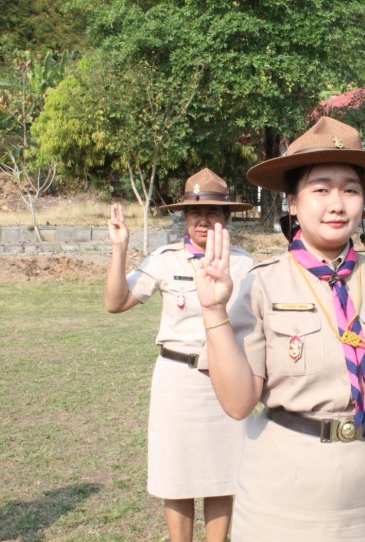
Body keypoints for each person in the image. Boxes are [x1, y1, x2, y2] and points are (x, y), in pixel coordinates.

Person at [192, 117, 365, 541]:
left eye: (350, 190)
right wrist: (213, 310)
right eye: (320, 189)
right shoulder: (262, 283)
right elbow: (239, 402)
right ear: (293, 202)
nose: (337, 204)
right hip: (282, 493)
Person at [104, 168, 253, 542]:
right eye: (194, 212)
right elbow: (115, 302)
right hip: (177, 380)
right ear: (184, 217)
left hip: (226, 384)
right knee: (177, 476)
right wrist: (120, 248)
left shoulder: (245, 265)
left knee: (223, 475)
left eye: (212, 212)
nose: (203, 220)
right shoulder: (166, 259)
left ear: (226, 217)